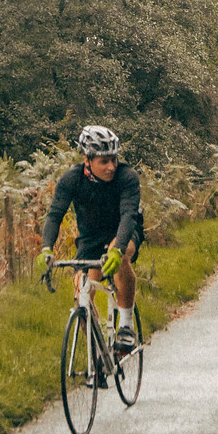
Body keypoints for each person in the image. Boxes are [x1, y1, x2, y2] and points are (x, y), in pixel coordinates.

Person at [39, 124, 144, 355]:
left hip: (124, 231)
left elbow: (128, 216)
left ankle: (126, 326)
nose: (111, 167)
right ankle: (98, 354)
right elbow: (54, 216)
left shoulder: (127, 177)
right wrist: (46, 248)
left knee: (121, 254)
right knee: (82, 296)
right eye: (104, 161)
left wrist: (117, 250)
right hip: (90, 239)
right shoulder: (71, 179)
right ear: (87, 160)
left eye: (113, 160)